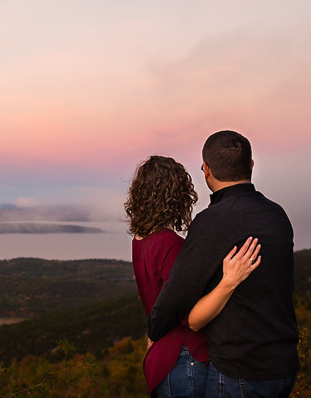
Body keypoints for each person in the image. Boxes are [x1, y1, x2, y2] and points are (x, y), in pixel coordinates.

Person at [147, 131, 300, 398]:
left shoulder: (213, 221)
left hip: (241, 370)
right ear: (251, 165)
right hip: (284, 366)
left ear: (206, 170)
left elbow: (177, 294)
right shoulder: (277, 214)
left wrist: (154, 331)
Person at [127, 155, 262, 397]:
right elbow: (190, 315)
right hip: (185, 358)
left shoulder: (139, 241)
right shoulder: (171, 244)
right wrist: (230, 280)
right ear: (177, 195)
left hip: (161, 357)